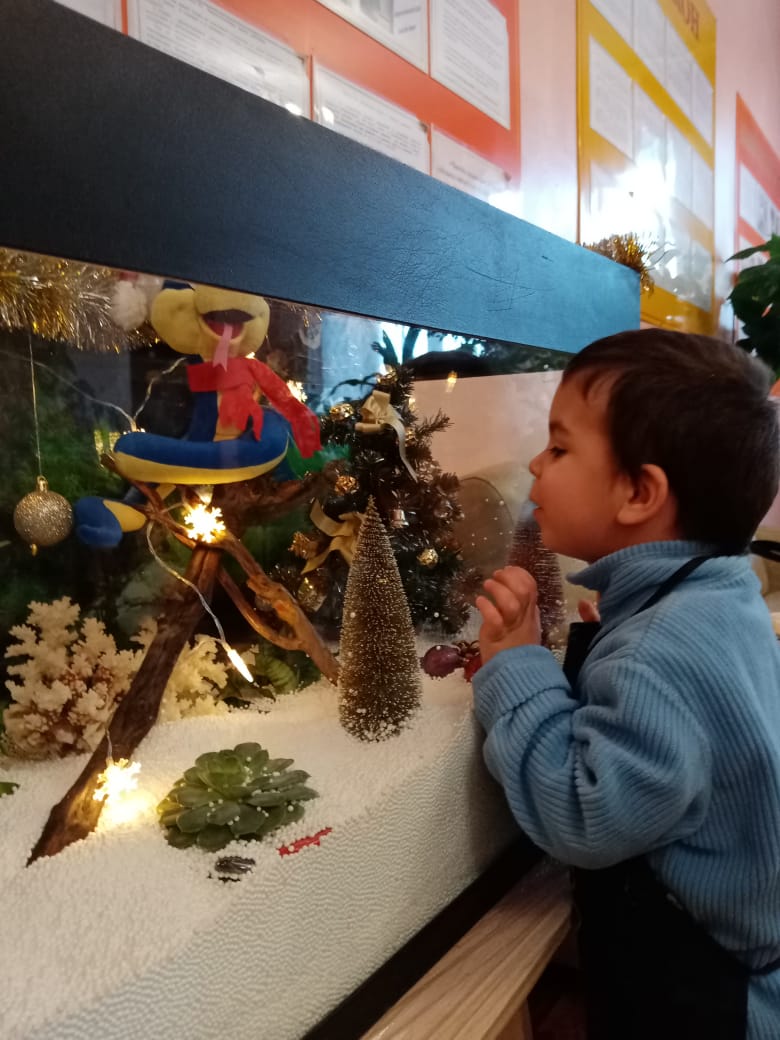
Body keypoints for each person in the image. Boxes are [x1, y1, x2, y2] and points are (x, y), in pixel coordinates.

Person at [471, 328, 780, 1040]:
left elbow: (584, 815)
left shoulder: (656, 650)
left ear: (640, 492)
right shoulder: (717, 593)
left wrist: (518, 664)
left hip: (703, 1002)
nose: (534, 463)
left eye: (559, 448)